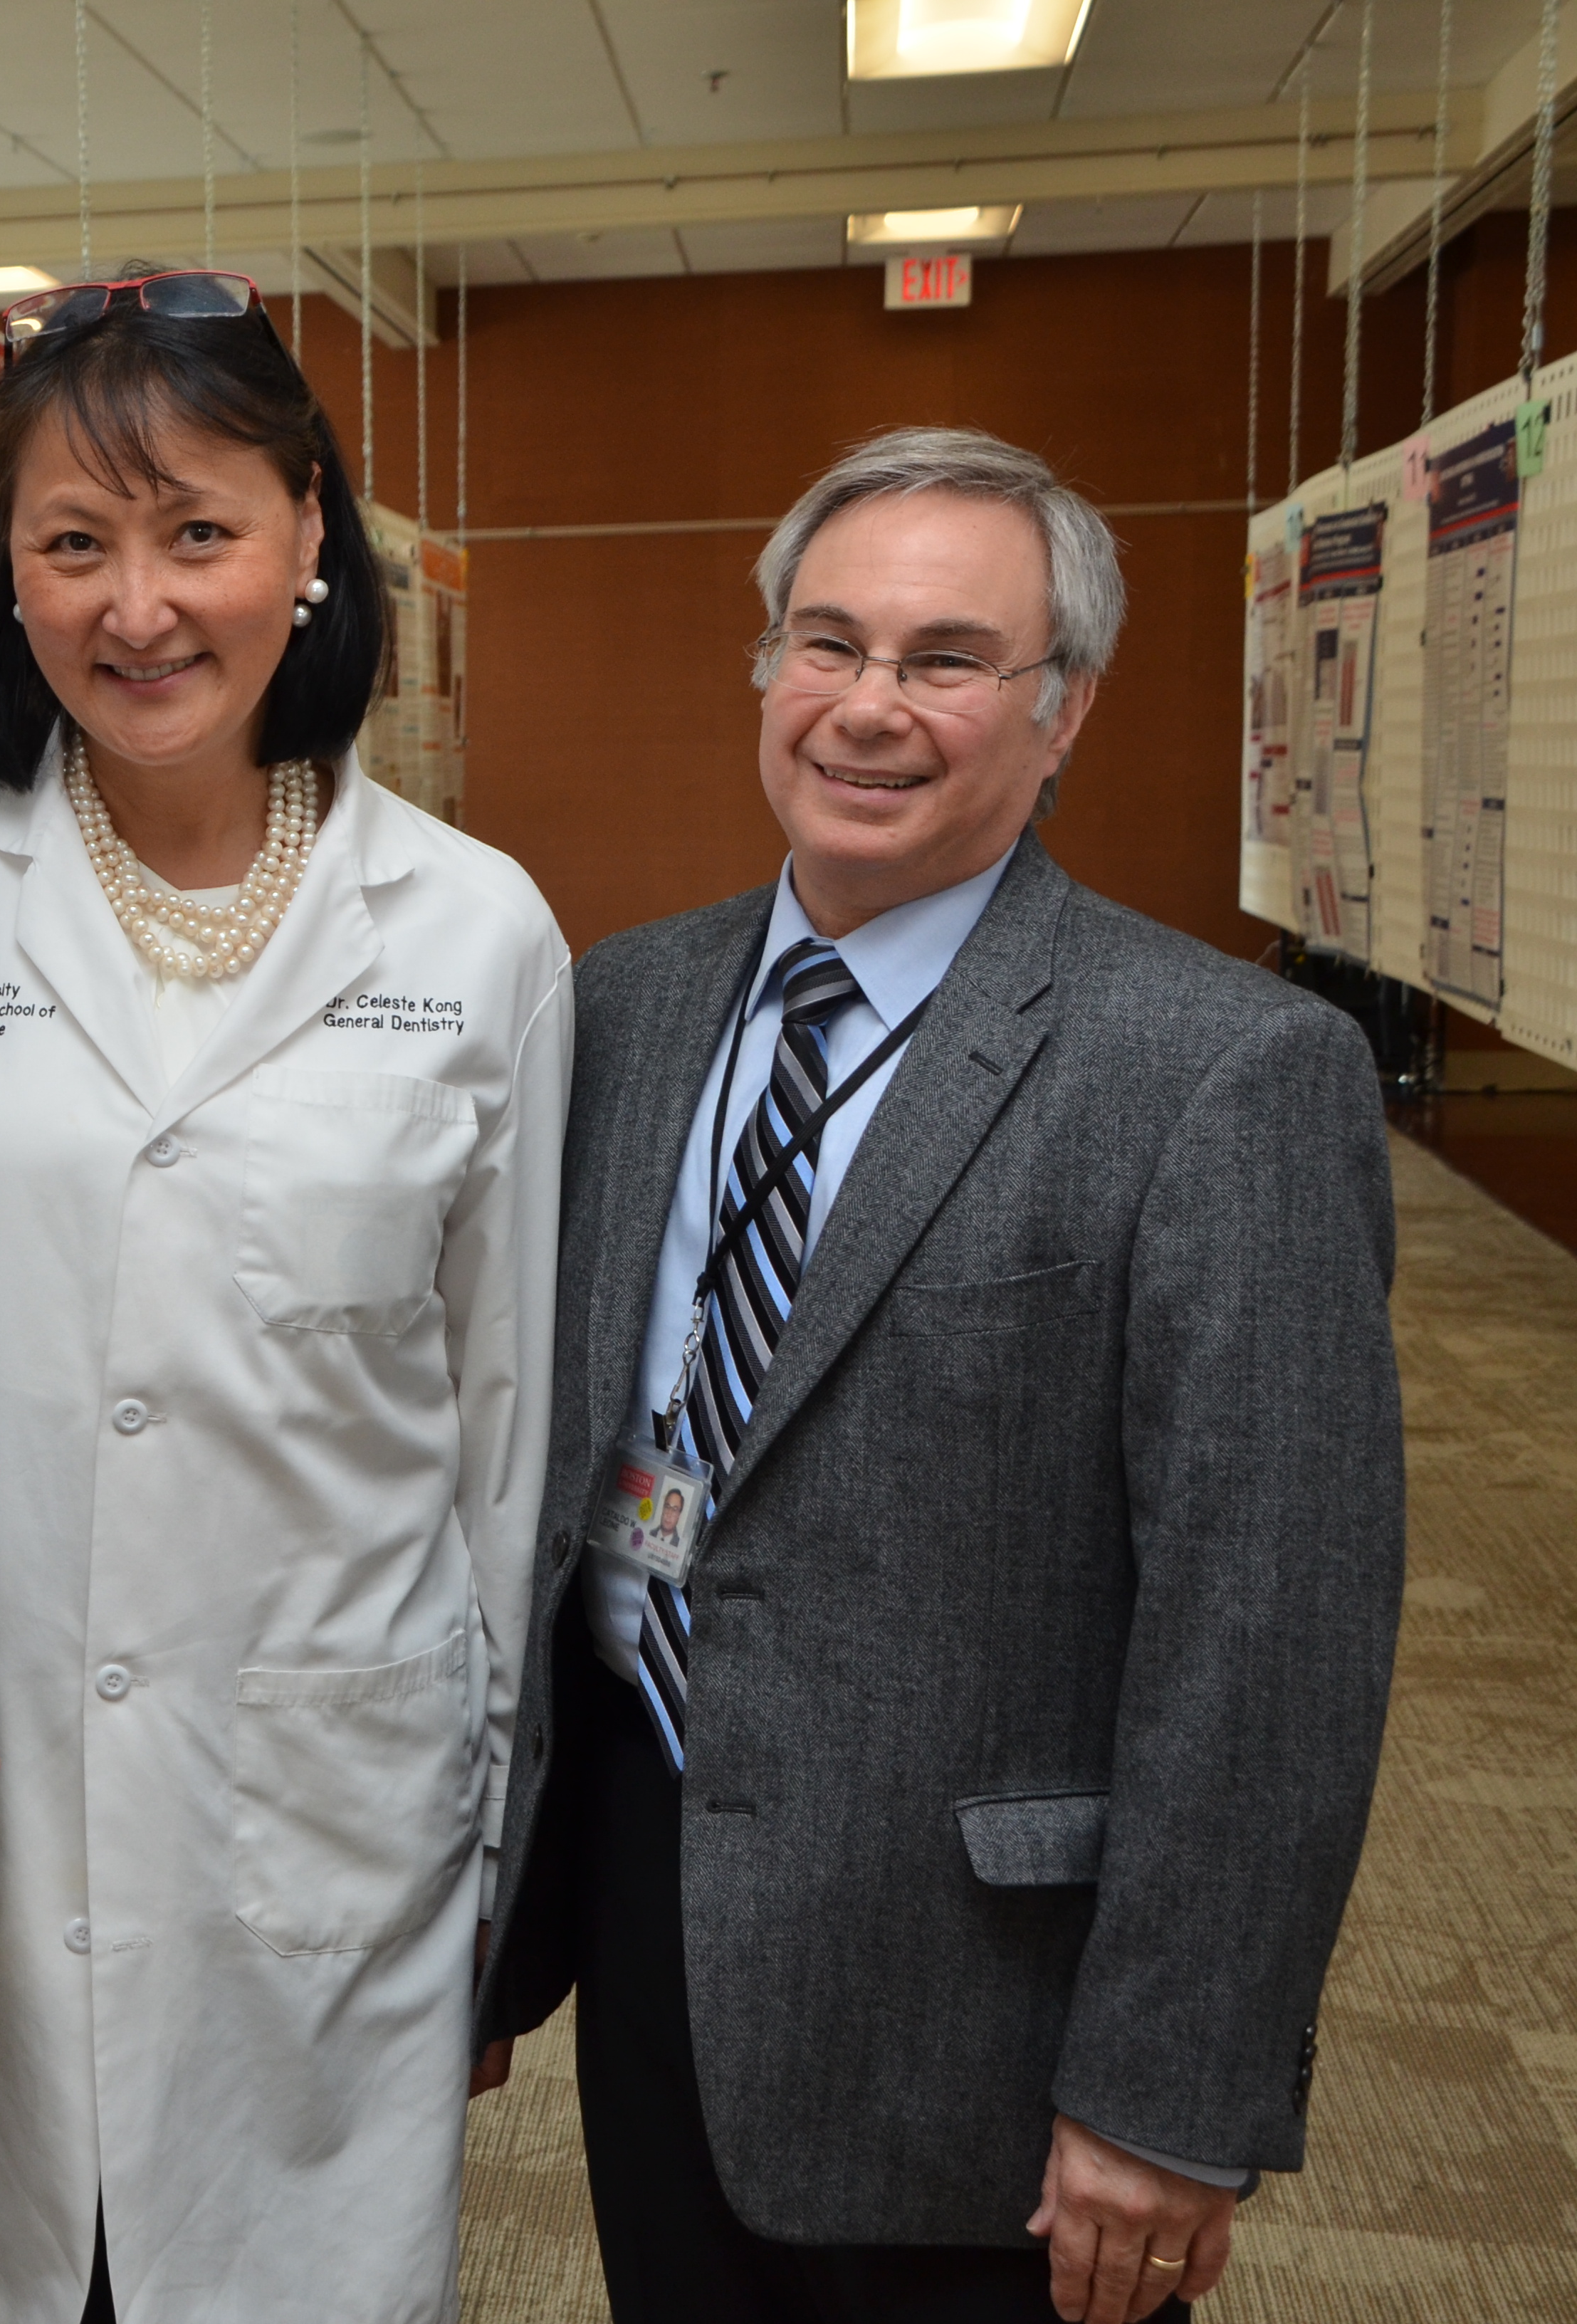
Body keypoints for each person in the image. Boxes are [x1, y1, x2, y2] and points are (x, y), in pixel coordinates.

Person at [478, 426, 1405, 2324]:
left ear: (1061, 712)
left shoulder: (1219, 1072)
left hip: (981, 2005)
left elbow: (1275, 1635)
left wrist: (1168, 2095)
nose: (866, 708)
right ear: (764, 673)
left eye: (945, 659)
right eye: (826, 644)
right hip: (651, 1887)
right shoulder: (624, 1004)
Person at [0, 266, 570, 2324]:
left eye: (199, 531)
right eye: (76, 543)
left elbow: (503, 1432)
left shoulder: (473, 932)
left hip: (318, 1804)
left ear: (310, 538)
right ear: (6, 574)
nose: (141, 607)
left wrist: (493, 1864)